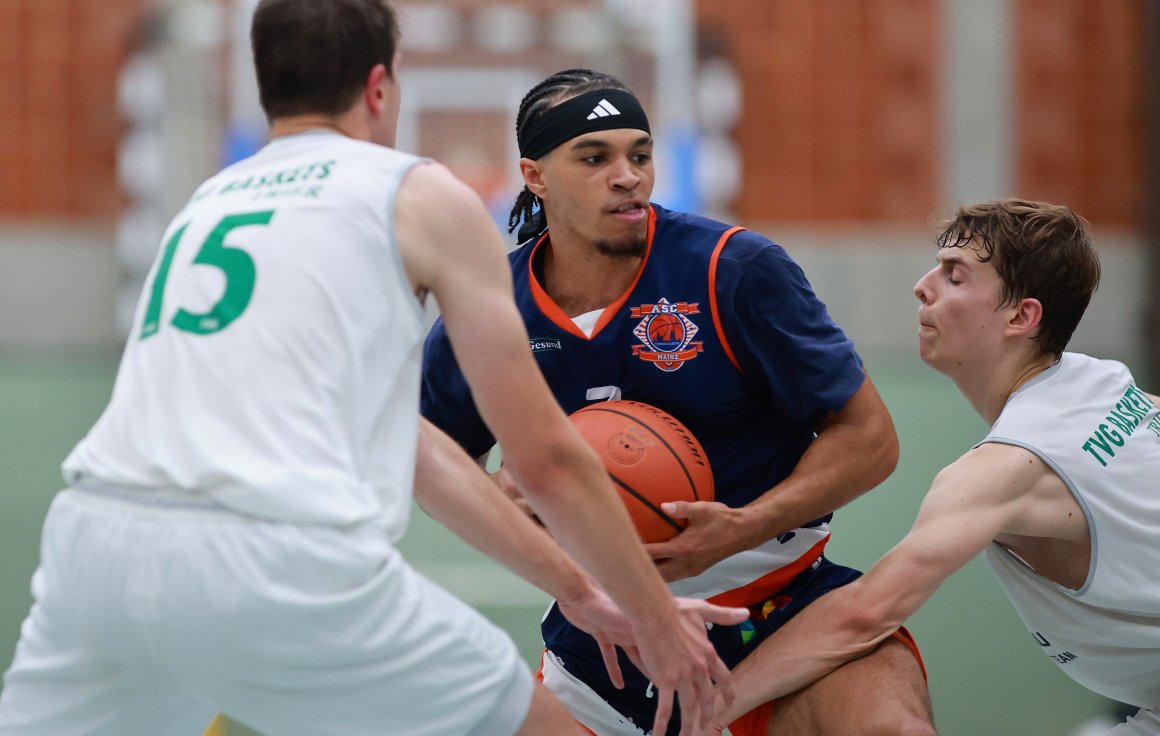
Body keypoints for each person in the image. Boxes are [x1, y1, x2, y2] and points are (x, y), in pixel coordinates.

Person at [0, 4, 745, 734]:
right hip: (275, 556)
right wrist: (654, 617)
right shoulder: (417, 195)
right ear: (380, 87)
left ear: (267, 86)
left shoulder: (204, 205)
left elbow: (418, 448)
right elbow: (545, 457)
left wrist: (580, 593)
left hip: (93, 552)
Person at [421, 68, 935, 736]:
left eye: (639, 154)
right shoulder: (491, 305)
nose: (628, 174)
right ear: (535, 175)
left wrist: (746, 524)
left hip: (782, 607)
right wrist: (506, 497)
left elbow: (870, 438)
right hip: (606, 644)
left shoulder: (733, 269)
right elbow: (433, 460)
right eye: (595, 157)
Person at [696, 199, 1160, 736]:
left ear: (1020, 316)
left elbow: (864, 616)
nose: (922, 286)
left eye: (953, 275)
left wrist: (704, 712)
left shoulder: (1005, 467)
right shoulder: (1106, 384)